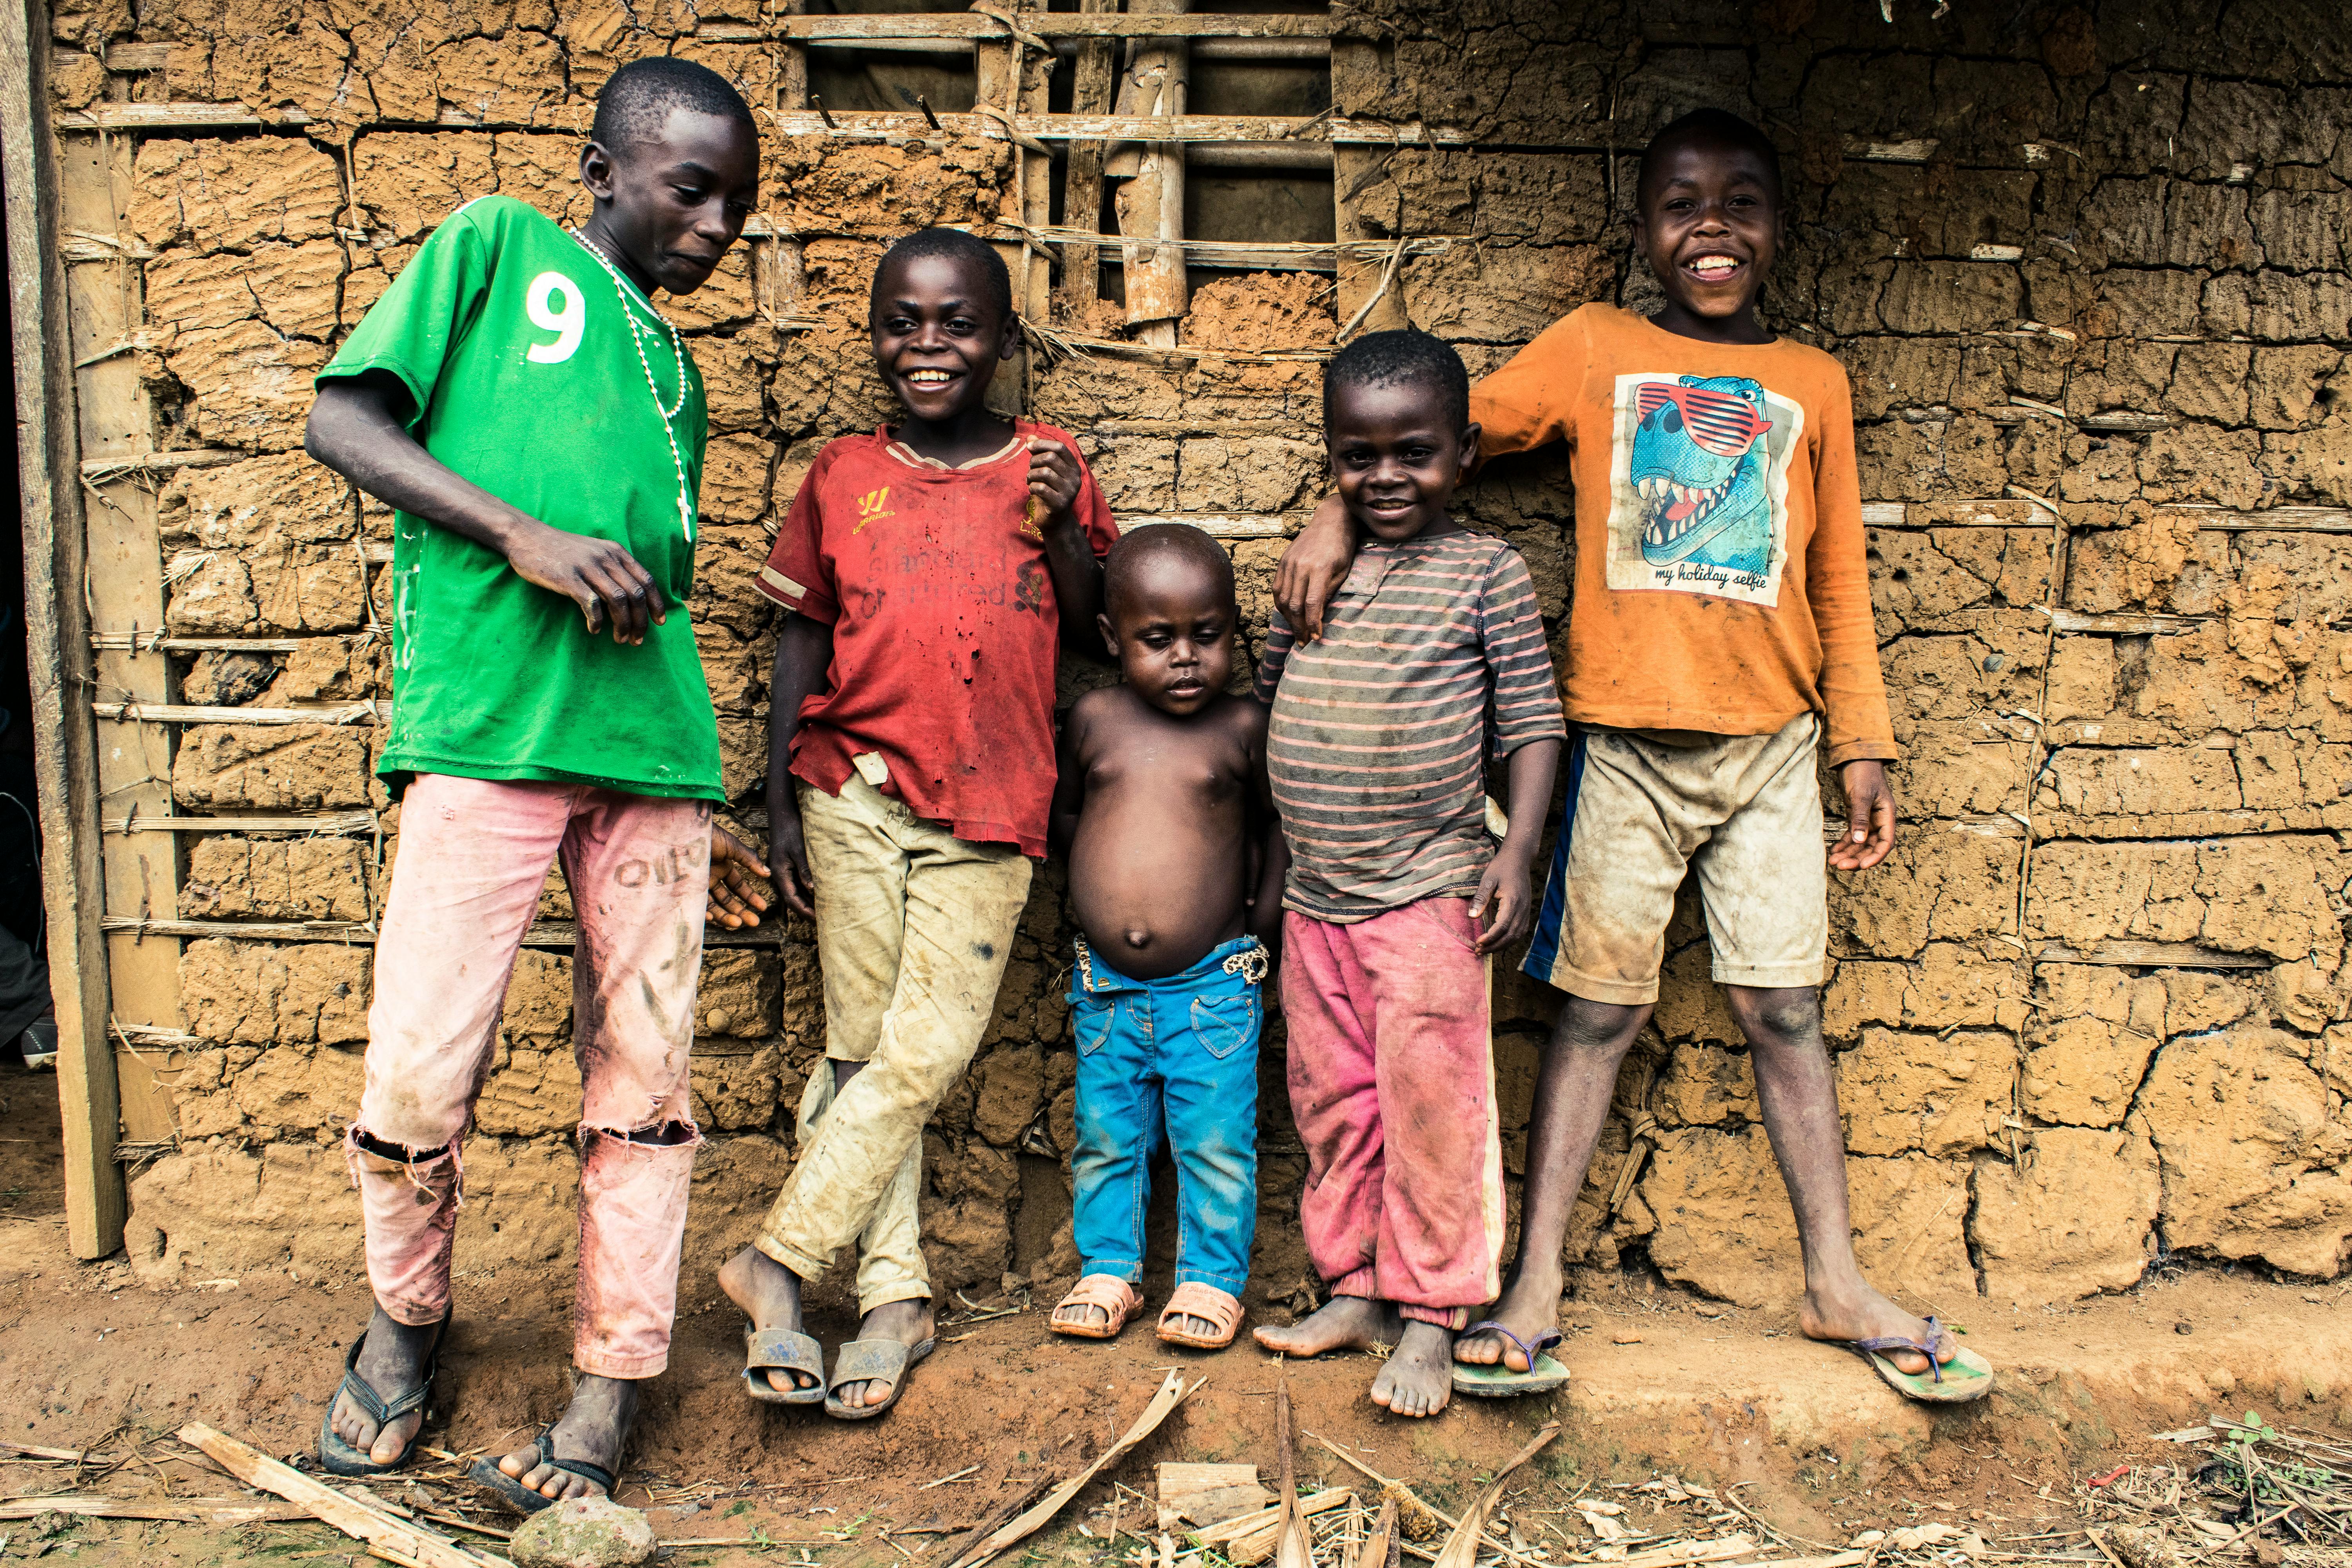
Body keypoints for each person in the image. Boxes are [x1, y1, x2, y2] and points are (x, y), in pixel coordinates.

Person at [1273, 109, 1993, 1405]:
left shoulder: (1813, 381)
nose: (1710, 225)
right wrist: (1333, 513)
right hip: (1620, 747)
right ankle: (1535, 1276)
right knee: (1595, 1014)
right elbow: (1444, 427)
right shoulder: (1598, 350)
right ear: (1643, 227)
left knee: (1785, 1010)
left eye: (1741, 201)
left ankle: (1834, 1280)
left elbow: (1838, 573)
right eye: (1680, 202)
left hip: (1773, 749)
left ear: (1778, 226)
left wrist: (1861, 739)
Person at [302, 56, 777, 1508]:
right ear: (606, 167)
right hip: (490, 736)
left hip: (652, 755)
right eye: (688, 188)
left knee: (643, 1084)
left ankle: (612, 1378)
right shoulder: (499, 247)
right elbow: (345, 422)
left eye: (735, 209)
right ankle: (405, 1327)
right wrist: (525, 537)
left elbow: (658, 590)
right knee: (417, 1069)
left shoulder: (678, 372)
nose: (712, 226)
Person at [717, 229, 1118, 1418]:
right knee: (858, 1045)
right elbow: (801, 635)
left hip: (993, 804)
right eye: (904, 321)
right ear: (879, 332)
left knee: (924, 1050)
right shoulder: (845, 472)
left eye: (957, 324)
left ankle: (777, 1258)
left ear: (1003, 340)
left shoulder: (1055, 467)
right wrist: (782, 797)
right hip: (848, 789)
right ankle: (891, 1295)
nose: (928, 345)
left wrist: (1060, 530)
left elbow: (1096, 632)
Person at [1250, 329, 1566, 1419]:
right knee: (1333, 1103)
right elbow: (1281, 711)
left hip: (1432, 889)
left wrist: (1518, 849)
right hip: (1318, 901)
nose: (1386, 476)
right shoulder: (1314, 568)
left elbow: (1532, 722)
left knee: (1434, 1106)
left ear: (1464, 454)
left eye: (1415, 453)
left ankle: (1435, 1316)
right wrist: (1277, 867)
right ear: (1332, 456)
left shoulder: (1486, 573)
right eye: (1359, 455)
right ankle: (1355, 1288)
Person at [1044, 525, 1285, 1352]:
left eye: (1207, 635)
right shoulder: (1094, 719)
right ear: (1113, 640)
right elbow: (1070, 815)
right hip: (1107, 985)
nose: (1186, 657)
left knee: (1215, 1139)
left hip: (1213, 986)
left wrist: (1260, 921)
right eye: (1158, 639)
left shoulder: (1243, 728)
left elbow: (1273, 829)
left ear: (1233, 629)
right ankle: (1109, 1267)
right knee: (1107, 1134)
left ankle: (1211, 1281)